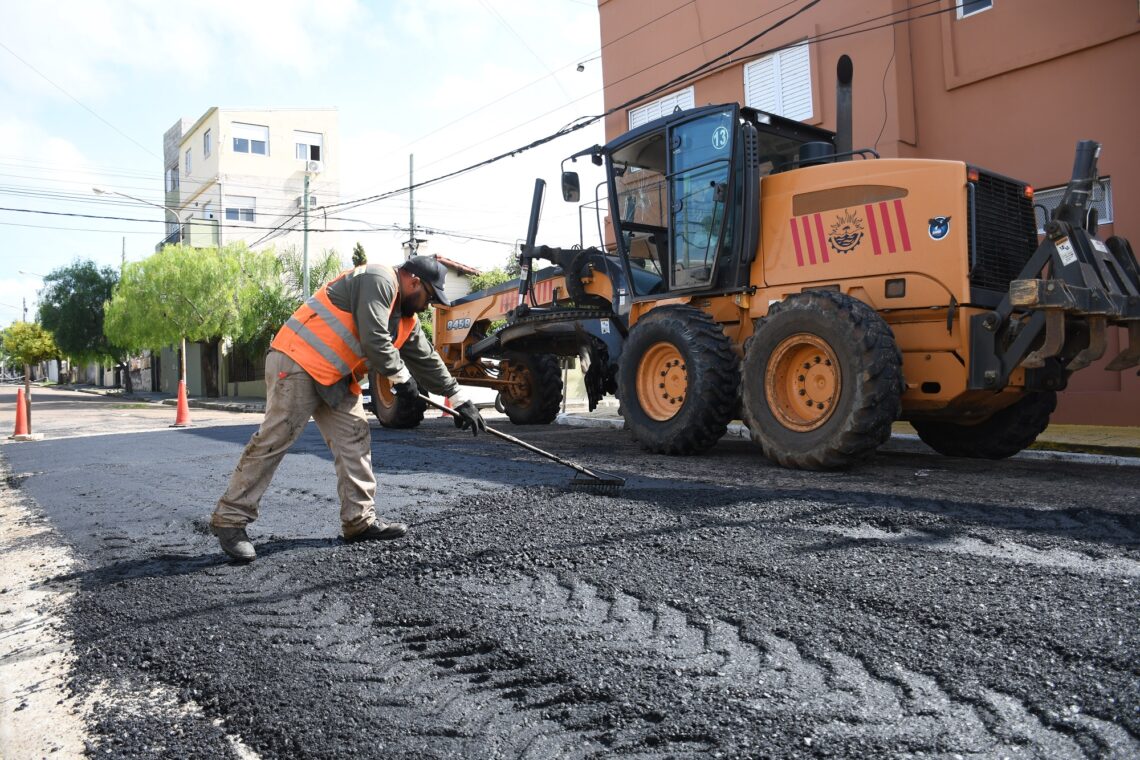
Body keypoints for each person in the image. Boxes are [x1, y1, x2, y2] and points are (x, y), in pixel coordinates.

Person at [210, 255, 486, 562]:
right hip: (298, 361)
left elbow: (427, 359)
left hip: (336, 376)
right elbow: (374, 338)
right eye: (428, 297)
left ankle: (359, 521)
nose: (427, 306)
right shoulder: (379, 279)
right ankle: (230, 520)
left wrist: (459, 399)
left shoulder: (406, 319)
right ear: (414, 281)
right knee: (275, 438)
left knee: (355, 437)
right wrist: (402, 379)